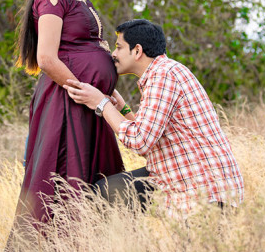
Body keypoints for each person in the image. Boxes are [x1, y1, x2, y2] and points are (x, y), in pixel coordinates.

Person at [0, 0, 125, 252]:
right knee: (60, 181)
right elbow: (47, 58)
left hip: (88, 105)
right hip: (68, 105)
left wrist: (108, 91)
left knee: (94, 180)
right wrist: (87, 91)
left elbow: (88, 50)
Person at [65, 19, 244, 214]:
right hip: (183, 179)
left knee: (107, 192)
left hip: (203, 192)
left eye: (119, 47)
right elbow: (149, 140)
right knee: (109, 190)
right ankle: (129, 243)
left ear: (137, 51)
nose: (113, 54)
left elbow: (139, 141)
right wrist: (122, 108)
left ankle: (129, 242)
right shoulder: (164, 72)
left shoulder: (163, 76)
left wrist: (101, 103)